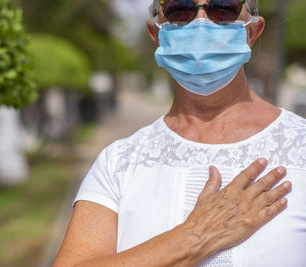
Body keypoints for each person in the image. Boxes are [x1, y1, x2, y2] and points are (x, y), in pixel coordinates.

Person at [54, 0, 306, 266]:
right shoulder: (118, 162)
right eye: (180, 10)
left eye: (222, 9)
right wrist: (195, 236)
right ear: (156, 34)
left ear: (253, 31)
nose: (201, 24)